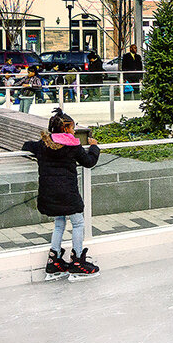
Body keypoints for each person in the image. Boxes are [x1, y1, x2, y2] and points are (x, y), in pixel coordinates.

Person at [21, 109, 102, 276]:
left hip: (48, 194)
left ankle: (54, 259)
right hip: (67, 194)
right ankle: (78, 260)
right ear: (66, 129)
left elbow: (26, 146)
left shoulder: (42, 144)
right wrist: (94, 147)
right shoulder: (73, 146)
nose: (74, 131)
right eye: (73, 128)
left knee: (59, 223)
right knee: (78, 223)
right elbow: (89, 162)